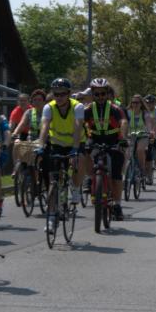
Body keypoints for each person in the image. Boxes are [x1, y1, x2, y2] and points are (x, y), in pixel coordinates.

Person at [37, 78, 85, 235]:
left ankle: (76, 188)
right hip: (56, 144)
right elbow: (45, 126)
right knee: (53, 180)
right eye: (56, 94)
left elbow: (78, 127)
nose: (59, 97)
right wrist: (40, 145)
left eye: (62, 94)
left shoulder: (77, 106)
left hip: (75, 143)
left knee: (79, 160)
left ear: (69, 94)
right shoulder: (49, 107)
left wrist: (75, 148)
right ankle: (51, 218)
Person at [81, 77, 128, 221]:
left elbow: (123, 121)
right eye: (97, 94)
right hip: (95, 140)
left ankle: (117, 205)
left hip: (113, 141)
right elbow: (79, 124)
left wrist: (123, 138)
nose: (100, 97)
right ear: (93, 94)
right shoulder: (87, 109)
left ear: (107, 94)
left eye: (103, 93)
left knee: (116, 175)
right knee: (84, 152)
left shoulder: (115, 109)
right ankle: (90, 178)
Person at [126, 94, 155, 182]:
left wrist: (150, 132)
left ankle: (142, 170)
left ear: (141, 104)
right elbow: (124, 124)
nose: (135, 104)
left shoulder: (145, 114)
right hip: (130, 136)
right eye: (133, 102)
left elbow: (149, 125)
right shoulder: (128, 113)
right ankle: (126, 173)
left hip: (143, 136)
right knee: (126, 153)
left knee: (140, 150)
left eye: (137, 102)